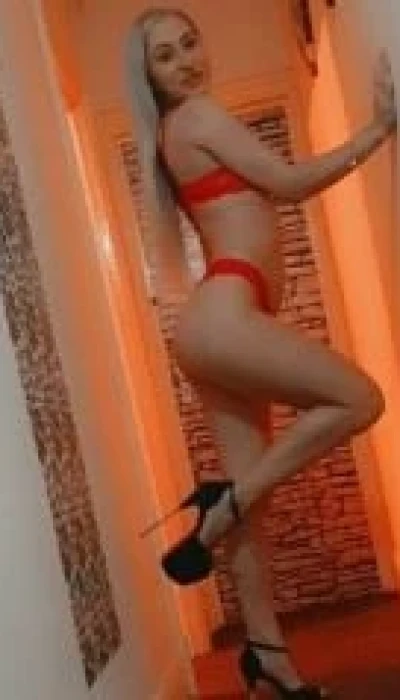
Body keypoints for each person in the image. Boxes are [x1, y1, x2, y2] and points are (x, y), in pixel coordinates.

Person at [125, 7, 397, 698]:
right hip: (225, 314)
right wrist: (378, 130)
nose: (187, 61)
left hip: (214, 324)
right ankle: (225, 505)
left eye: (190, 43)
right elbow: (289, 183)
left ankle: (267, 657)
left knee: (255, 512)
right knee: (361, 399)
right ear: (149, 77)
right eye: (165, 56)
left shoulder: (171, 134)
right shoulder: (199, 117)